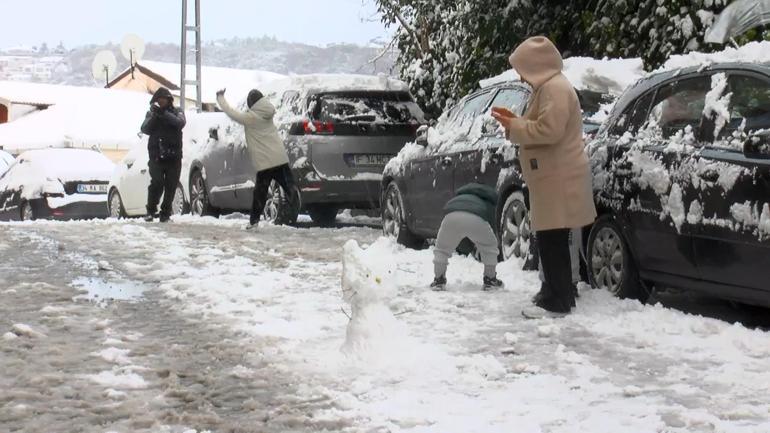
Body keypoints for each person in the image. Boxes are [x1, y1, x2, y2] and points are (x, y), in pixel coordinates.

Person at [491, 36, 597, 318]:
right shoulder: (550, 87)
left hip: (558, 178)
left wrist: (516, 127)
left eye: (523, 69)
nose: (522, 77)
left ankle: (558, 302)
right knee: (550, 238)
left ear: (536, 66)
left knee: (553, 240)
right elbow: (542, 124)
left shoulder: (555, 89)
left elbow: (549, 130)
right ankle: (552, 292)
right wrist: (515, 122)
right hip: (551, 177)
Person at [216, 88, 296, 230]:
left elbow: (231, 113)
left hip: (265, 162)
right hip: (280, 158)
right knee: (289, 186)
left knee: (260, 193)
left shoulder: (251, 117)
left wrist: (220, 98)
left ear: (251, 103)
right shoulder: (268, 112)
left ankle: (254, 222)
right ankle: (295, 205)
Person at [431, 183, 504, 291]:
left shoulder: (459, 197)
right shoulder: (488, 200)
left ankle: (438, 280)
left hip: (450, 216)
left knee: (442, 249)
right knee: (489, 246)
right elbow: (491, 225)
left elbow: (460, 232)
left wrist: (464, 247)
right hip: (476, 217)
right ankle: (490, 279)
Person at [141, 87, 186, 223]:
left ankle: (165, 213)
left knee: (171, 185)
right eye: (158, 101)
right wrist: (156, 115)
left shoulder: (177, 112)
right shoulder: (151, 114)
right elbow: (145, 128)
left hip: (174, 156)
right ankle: (150, 210)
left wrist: (164, 114)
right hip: (156, 157)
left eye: (163, 100)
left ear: (169, 100)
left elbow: (180, 123)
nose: (161, 103)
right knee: (157, 183)